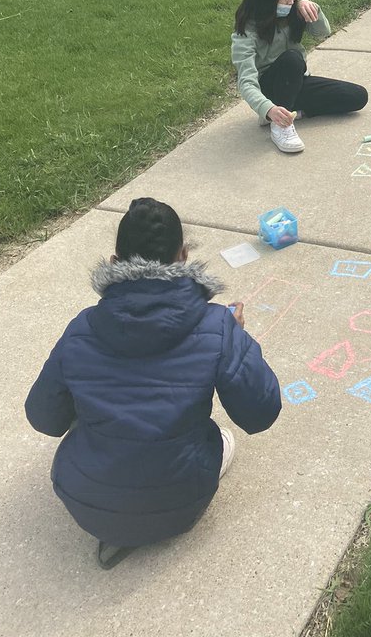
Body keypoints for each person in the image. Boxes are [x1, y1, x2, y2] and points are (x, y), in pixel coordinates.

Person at [25, 198, 281, 570]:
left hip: (85, 501)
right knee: (224, 438)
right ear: (184, 256)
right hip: (182, 501)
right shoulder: (216, 325)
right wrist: (237, 339)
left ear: (115, 262)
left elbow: (44, 418)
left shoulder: (83, 327)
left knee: (89, 414)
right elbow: (261, 412)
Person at [231, 0, 367, 154]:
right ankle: (280, 125)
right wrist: (267, 108)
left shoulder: (292, 13)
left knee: (357, 96)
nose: (290, 2)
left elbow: (322, 32)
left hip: (296, 82)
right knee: (293, 58)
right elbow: (246, 82)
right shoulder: (245, 32)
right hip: (269, 88)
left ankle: (292, 112)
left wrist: (311, 7)